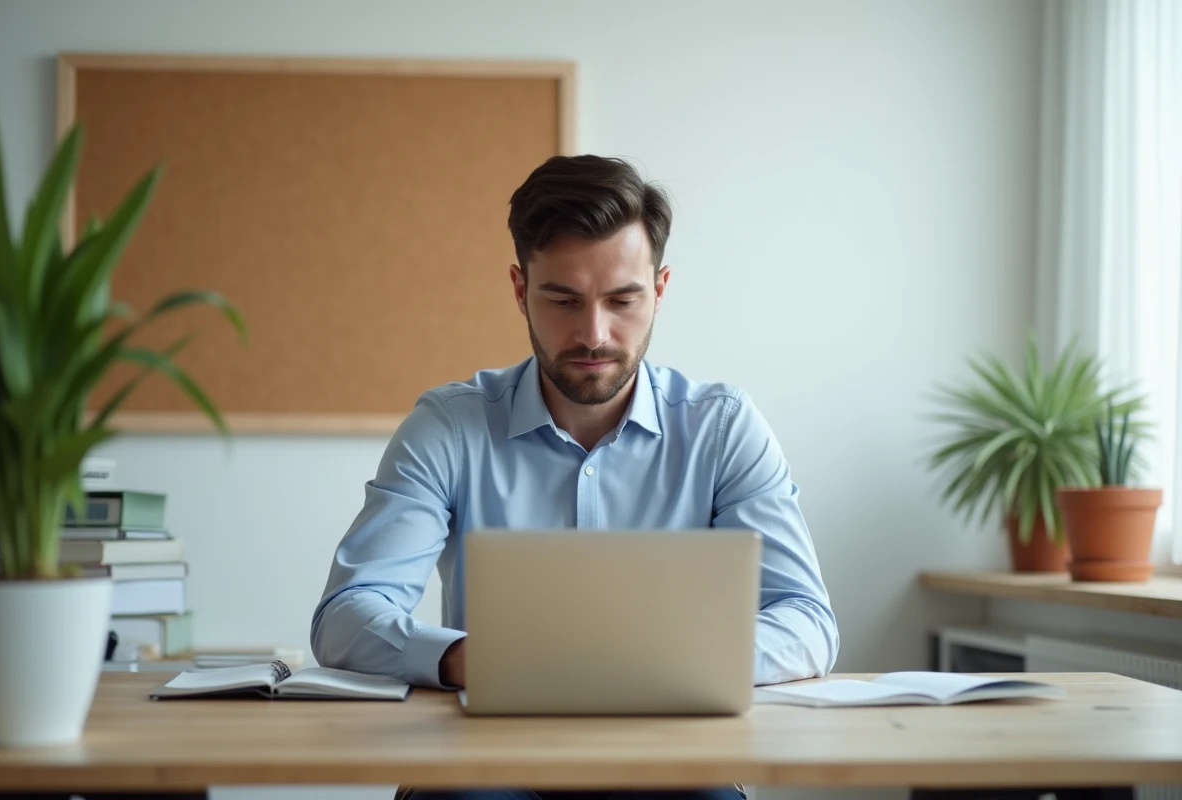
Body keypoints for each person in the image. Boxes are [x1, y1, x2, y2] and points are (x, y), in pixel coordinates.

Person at [310, 154, 839, 800]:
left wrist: (678, 666)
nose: (594, 333)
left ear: (662, 289)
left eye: (622, 300)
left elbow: (808, 621)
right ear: (518, 289)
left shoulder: (721, 427)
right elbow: (345, 618)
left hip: (668, 763)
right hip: (487, 764)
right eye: (563, 300)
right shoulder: (448, 427)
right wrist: (461, 658)